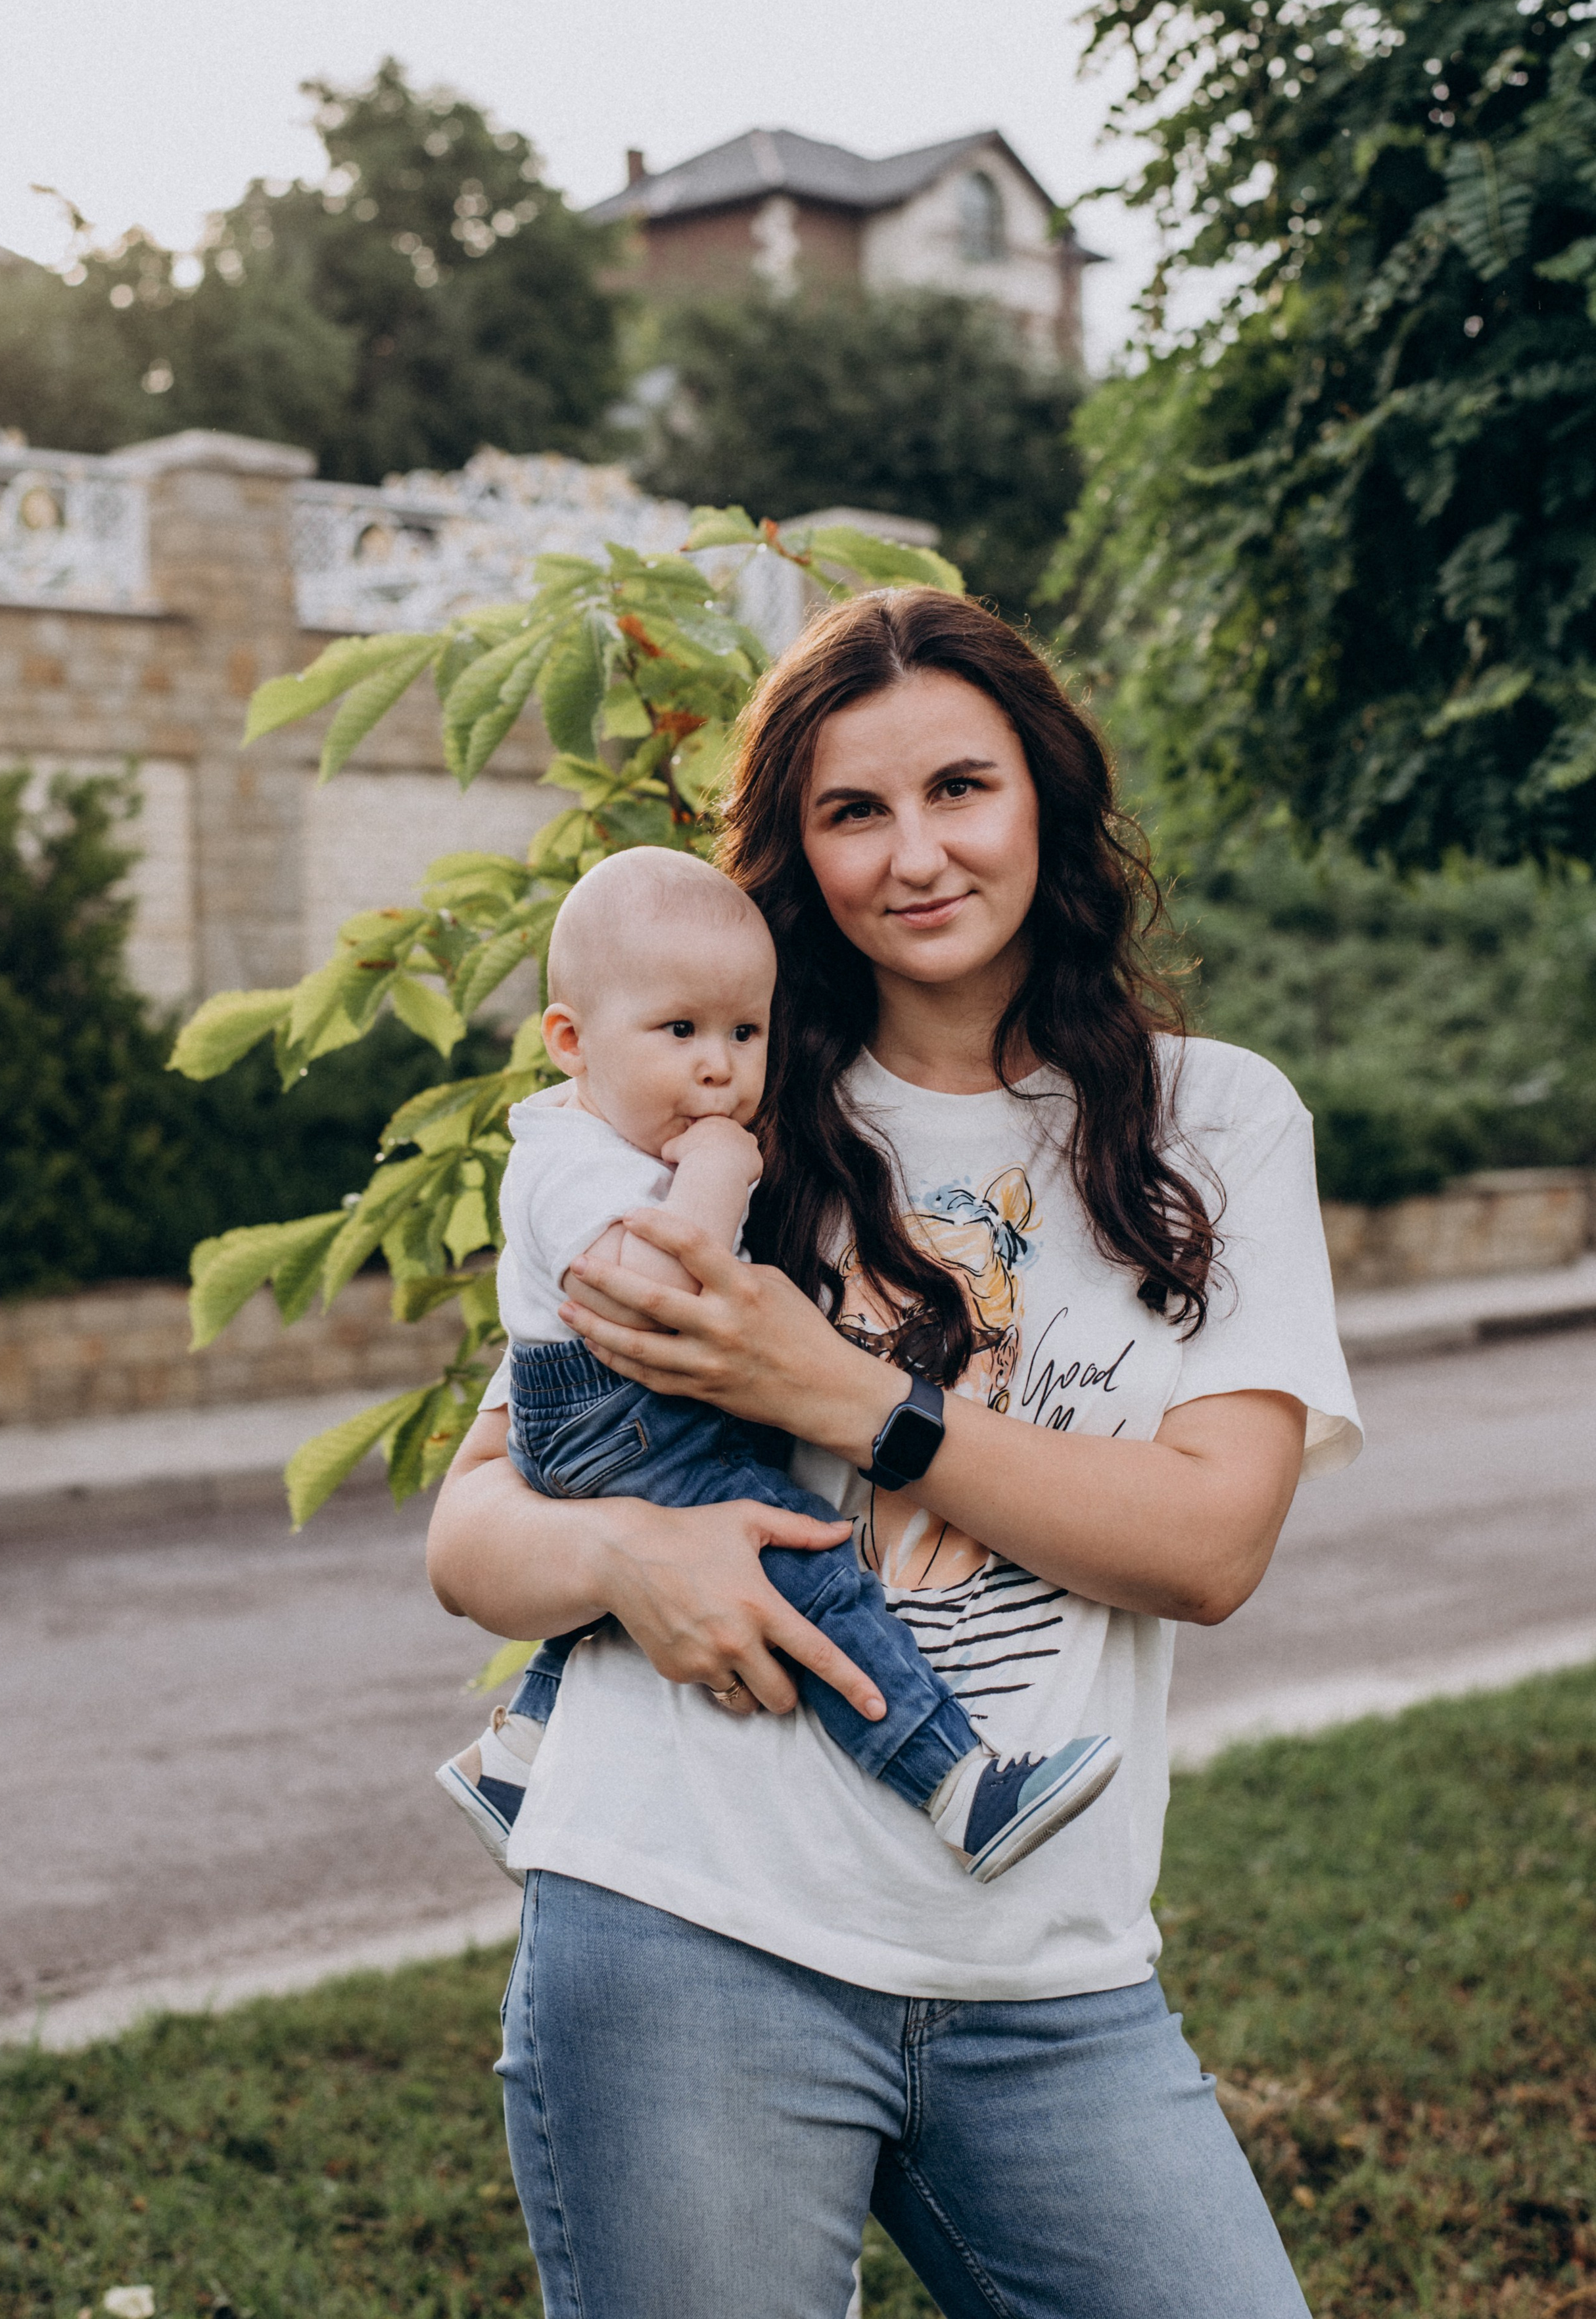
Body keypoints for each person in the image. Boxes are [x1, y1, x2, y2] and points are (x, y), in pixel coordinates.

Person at [425, 589, 1362, 2319]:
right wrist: (630, 1562)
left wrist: (850, 1395)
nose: (916, 852)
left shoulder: (1215, 1122)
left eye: (961, 788)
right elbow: (477, 1522)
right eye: (854, 811)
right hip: (684, 1926)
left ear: (1048, 803)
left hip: (1050, 1970)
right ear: (798, 848)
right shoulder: (718, 1103)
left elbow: (1210, 1544)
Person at [434, 845, 1119, 1888]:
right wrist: (715, 1170)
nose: (719, 1067)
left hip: (620, 1414)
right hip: (617, 1410)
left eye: (743, 1033)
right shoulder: (570, 1159)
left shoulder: (620, 1141)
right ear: (570, 1042)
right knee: (809, 1568)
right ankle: (957, 1785)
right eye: (680, 1032)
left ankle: (517, 1757)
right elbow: (659, 1293)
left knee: (654, 1583)